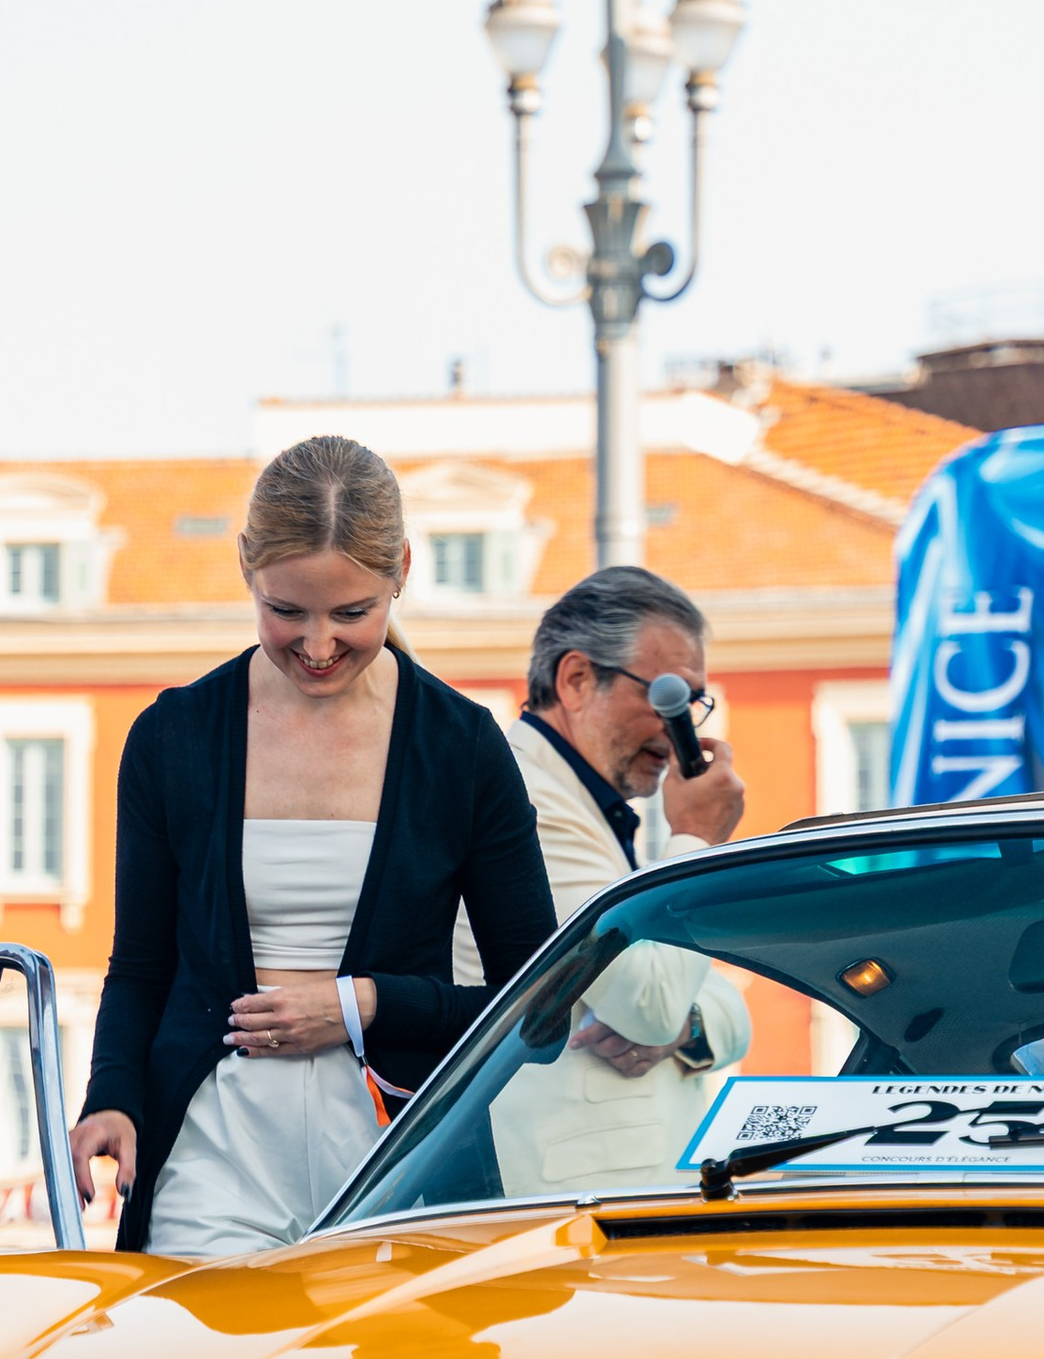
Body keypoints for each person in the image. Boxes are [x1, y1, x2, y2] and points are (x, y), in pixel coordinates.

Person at [72, 436, 556, 1259]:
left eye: (352, 614)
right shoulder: (171, 737)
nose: (320, 645)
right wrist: (111, 1096)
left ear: (402, 571)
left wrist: (367, 1005)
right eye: (287, 612)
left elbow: (538, 1005)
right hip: (214, 1152)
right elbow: (141, 966)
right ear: (246, 569)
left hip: (399, 1158)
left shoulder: (463, 746)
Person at [455, 566, 756, 1188]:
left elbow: (727, 1007)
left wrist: (692, 1025)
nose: (681, 732)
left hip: (615, 1191)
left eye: (692, 705)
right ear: (576, 680)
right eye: (666, 698)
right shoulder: (524, 801)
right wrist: (698, 836)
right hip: (573, 1204)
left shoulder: (582, 805)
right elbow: (653, 1005)